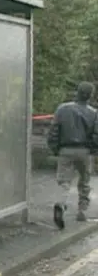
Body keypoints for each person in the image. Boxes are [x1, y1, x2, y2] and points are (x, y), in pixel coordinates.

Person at [47, 81, 98, 229]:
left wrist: (55, 148)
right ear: (90, 96)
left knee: (64, 181)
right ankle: (82, 211)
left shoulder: (62, 109)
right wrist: (93, 150)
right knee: (84, 181)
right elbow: (96, 135)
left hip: (65, 149)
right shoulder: (94, 113)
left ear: (77, 92)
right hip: (84, 151)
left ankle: (60, 204)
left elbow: (54, 130)